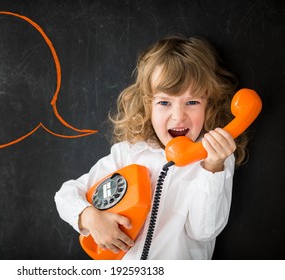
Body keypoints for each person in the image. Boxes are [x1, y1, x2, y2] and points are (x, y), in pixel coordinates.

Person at [54, 35, 248, 259]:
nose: (178, 116)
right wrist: (89, 217)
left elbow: (204, 231)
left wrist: (213, 167)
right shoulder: (129, 153)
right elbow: (65, 195)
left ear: (209, 105)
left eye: (192, 102)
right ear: (148, 105)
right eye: (164, 102)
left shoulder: (217, 158)